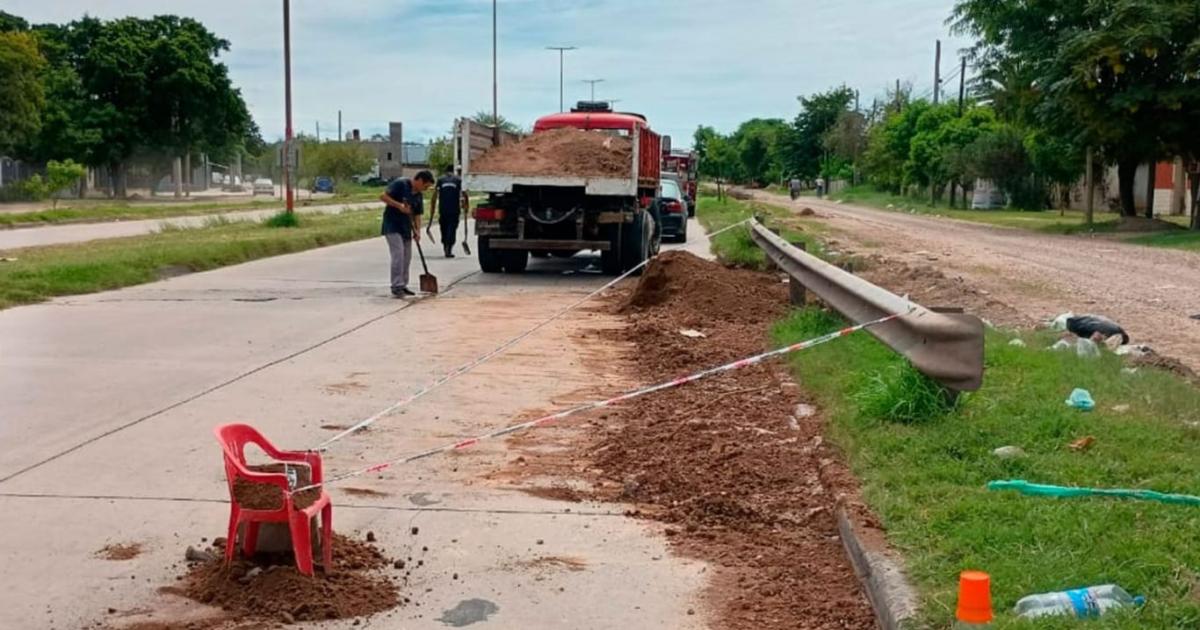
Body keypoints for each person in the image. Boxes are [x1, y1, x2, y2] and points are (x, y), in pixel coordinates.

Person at [379, 171, 434, 297]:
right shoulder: (400, 184)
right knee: (398, 256)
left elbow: (417, 215)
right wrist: (399, 206)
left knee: (406, 258)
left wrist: (418, 231)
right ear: (419, 180)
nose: (425, 189)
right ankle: (396, 286)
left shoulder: (418, 195)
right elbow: (383, 197)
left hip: (406, 228)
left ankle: (403, 285)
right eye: (425, 186)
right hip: (392, 226)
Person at [428, 166, 469, 258]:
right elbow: (464, 194)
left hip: (443, 209)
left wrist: (432, 208)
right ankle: (449, 248)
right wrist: (466, 207)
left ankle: (445, 246)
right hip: (454, 209)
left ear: (445, 171)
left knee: (444, 228)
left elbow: (434, 195)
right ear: (453, 171)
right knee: (452, 228)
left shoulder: (440, 180)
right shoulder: (458, 180)